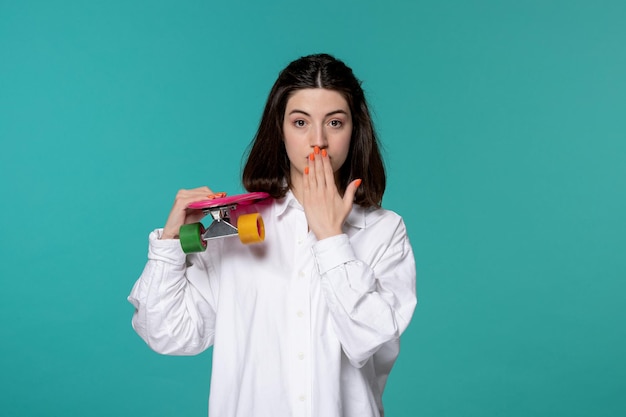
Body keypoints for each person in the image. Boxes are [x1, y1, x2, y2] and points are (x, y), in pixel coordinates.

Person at [128, 53, 417, 417]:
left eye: (335, 122)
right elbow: (168, 334)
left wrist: (330, 238)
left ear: (355, 130)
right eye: (300, 122)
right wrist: (170, 245)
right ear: (279, 130)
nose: (318, 140)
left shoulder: (384, 231)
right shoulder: (233, 224)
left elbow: (369, 339)